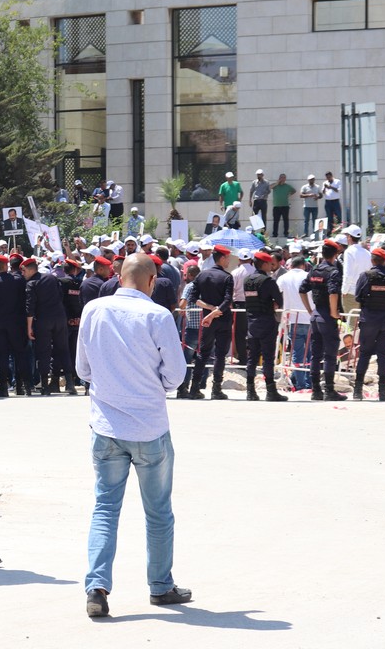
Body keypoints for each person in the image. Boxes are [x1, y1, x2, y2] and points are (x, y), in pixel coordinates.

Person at [77, 254, 191, 618]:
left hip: (106, 426)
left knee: (105, 508)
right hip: (148, 428)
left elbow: (83, 368)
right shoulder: (158, 316)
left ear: (118, 277)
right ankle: (160, 586)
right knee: (158, 511)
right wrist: (147, 386)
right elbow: (175, 375)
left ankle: (96, 588)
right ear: (152, 281)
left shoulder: (93, 310)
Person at [180, 245, 234, 400]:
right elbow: (227, 300)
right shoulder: (226, 277)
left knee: (202, 354)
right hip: (222, 320)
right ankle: (216, 389)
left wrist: (209, 310)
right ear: (222, 258)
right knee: (220, 355)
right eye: (227, 258)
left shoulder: (202, 275)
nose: (228, 261)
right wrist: (215, 311)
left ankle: (194, 388)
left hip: (206, 321)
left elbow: (193, 298)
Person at [351, 247, 385, 402]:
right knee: (383, 355)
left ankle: (357, 390)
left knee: (365, 353)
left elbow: (357, 296)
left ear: (372, 260)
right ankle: (382, 392)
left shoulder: (365, 276)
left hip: (369, 318)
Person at [300, 240, 347, 401]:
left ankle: (315, 390)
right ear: (335, 254)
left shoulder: (314, 270)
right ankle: (329, 390)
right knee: (329, 355)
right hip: (327, 315)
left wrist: (309, 310)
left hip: (316, 315)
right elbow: (333, 293)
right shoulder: (333, 272)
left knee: (315, 354)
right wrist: (334, 312)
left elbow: (302, 289)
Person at [24, 256, 77, 396]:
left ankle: (45, 386)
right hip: (60, 317)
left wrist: (29, 327)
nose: (23, 274)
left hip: (43, 320)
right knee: (64, 349)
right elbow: (61, 296)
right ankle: (70, 384)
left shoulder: (31, 284)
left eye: (24, 271)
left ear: (30, 270)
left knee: (44, 352)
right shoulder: (51, 278)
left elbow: (30, 308)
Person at [243, 251, 288, 402]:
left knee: (252, 357)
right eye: (269, 263)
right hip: (267, 321)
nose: (271, 266)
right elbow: (280, 301)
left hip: (251, 321)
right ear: (264, 264)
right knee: (268, 357)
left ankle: (250, 391)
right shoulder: (268, 281)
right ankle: (271, 391)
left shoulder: (247, 280)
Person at [0, 254, 30, 395]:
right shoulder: (18, 281)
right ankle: (21, 386)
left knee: (3, 355)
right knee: (19, 354)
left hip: (0, 322)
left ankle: (3, 387)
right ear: (6, 265)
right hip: (17, 323)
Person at [277, 256, 312, 390]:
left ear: (291, 265)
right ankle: (308, 383)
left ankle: (300, 384)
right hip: (309, 317)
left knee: (297, 352)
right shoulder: (308, 276)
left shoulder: (283, 278)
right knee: (309, 353)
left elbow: (277, 293)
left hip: (293, 319)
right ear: (303, 265)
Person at [340, 224, 371, 315]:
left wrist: (344, 291)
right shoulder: (367, 252)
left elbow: (348, 274)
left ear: (349, 236)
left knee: (352, 324)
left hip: (351, 292)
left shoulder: (349, 252)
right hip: (364, 292)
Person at [270, 173, 295, 238]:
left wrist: (289, 195)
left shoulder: (287, 186)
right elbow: (269, 187)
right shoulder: (275, 185)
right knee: (276, 221)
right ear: (279, 178)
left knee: (286, 221)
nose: (283, 179)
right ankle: (275, 234)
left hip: (285, 206)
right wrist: (277, 183)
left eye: (284, 178)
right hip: (276, 206)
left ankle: (286, 233)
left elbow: (294, 191)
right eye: (281, 177)